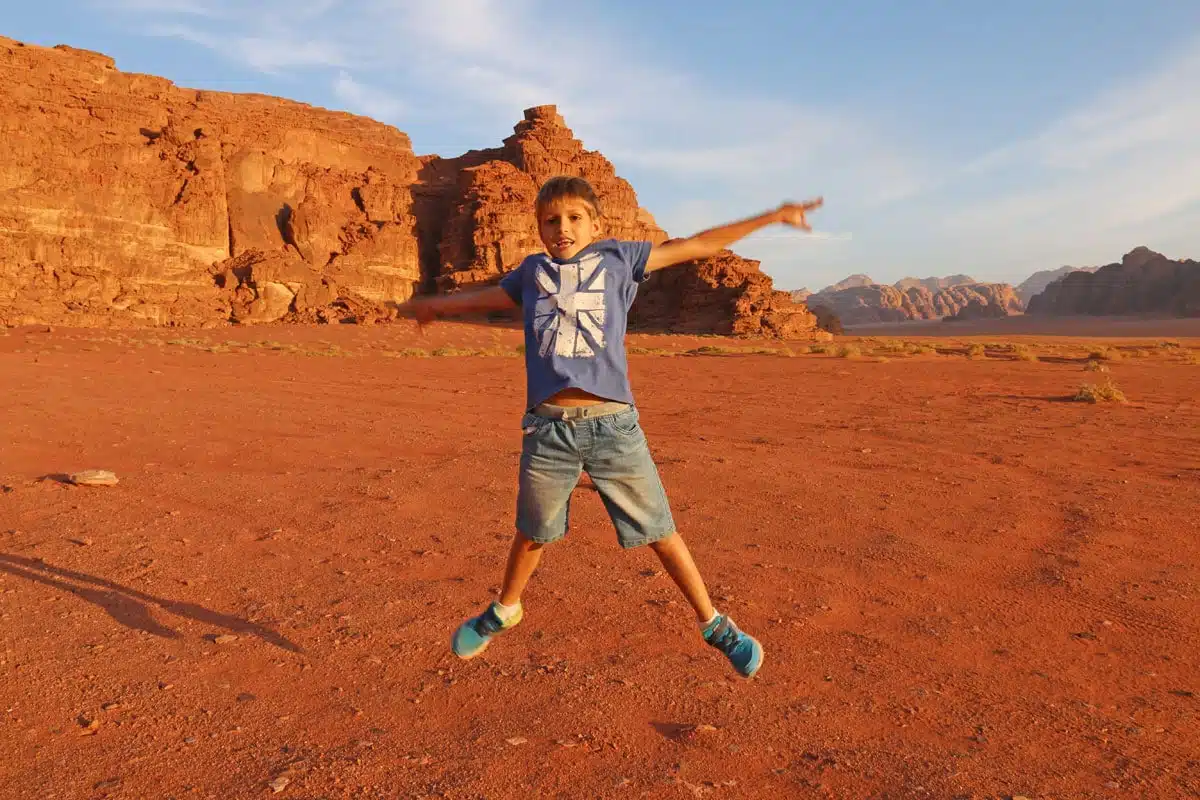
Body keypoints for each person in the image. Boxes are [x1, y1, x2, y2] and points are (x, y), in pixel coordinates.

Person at [399, 176, 822, 678]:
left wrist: (772, 216)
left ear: (597, 224)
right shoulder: (532, 272)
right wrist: (436, 307)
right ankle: (506, 609)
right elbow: (487, 299)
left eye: (575, 218)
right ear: (537, 229)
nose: (563, 229)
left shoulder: (621, 259)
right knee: (532, 531)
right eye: (551, 221)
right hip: (548, 431)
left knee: (661, 531)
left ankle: (714, 624)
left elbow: (695, 246)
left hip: (613, 428)